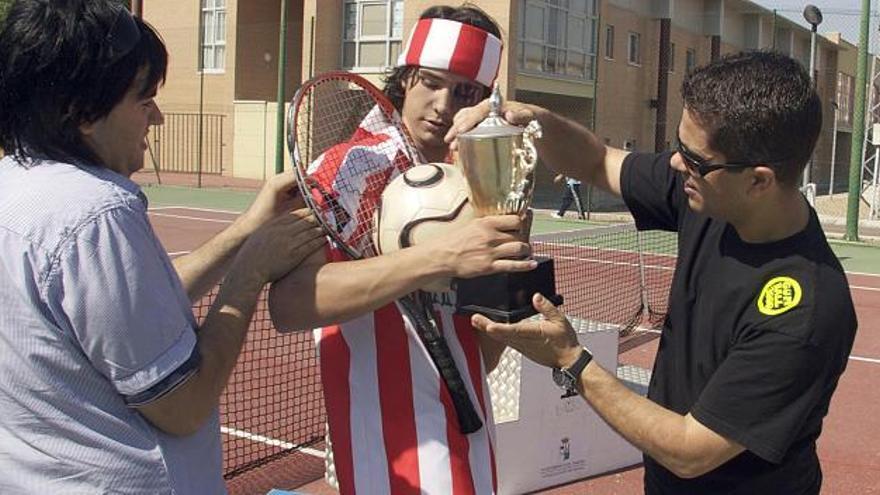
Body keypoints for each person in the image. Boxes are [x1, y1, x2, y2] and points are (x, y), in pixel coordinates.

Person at [448, 50, 857, 494]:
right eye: (678, 147)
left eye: (694, 158)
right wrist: (533, 118)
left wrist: (571, 359)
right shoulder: (711, 194)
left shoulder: (805, 310)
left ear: (759, 181)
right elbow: (596, 161)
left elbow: (690, 450)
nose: (678, 163)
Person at [0, 1, 325, 493]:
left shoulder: (15, 187)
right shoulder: (95, 214)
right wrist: (248, 276)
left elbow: (127, 315)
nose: (158, 117)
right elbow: (183, 405)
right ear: (82, 112)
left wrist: (246, 230)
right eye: (144, 98)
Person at [269, 5, 531, 494]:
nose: (444, 104)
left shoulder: (478, 174)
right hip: (387, 437)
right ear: (406, 79)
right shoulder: (347, 167)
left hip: (467, 418)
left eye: (466, 91)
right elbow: (290, 304)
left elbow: (485, 349)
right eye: (431, 82)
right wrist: (440, 258)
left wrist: (511, 276)